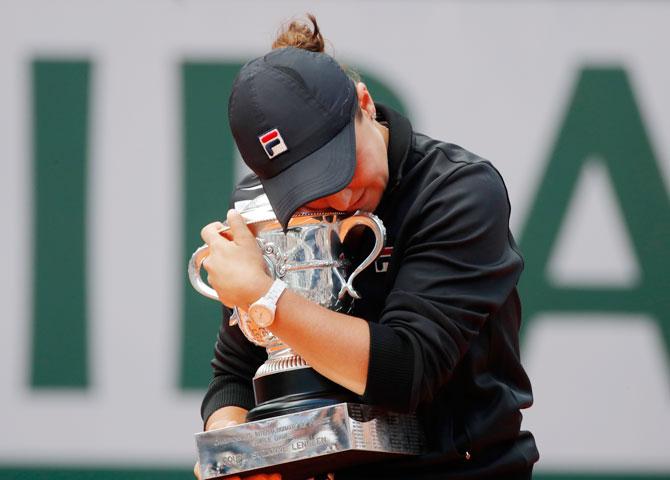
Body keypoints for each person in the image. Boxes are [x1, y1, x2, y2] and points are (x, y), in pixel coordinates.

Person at [196, 15, 539, 480]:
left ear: (364, 104)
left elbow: (406, 373)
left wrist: (263, 297)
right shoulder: (260, 208)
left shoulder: (458, 190)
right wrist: (237, 456)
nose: (339, 198)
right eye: (309, 186)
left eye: (341, 164)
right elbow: (236, 372)